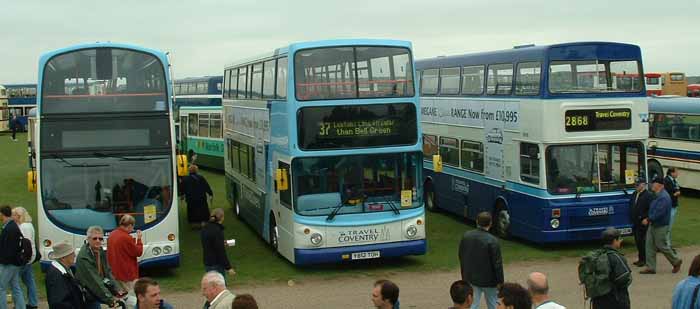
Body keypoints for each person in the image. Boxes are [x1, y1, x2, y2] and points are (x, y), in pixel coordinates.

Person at [458, 212, 503, 309]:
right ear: (490, 223)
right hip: (490, 281)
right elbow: (497, 264)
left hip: (471, 278)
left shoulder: (466, 236)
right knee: (493, 305)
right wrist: (500, 282)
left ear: (477, 221)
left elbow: (461, 256)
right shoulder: (493, 241)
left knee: (472, 305)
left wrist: (464, 274)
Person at [75, 225, 124, 309]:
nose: (98, 241)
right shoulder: (84, 256)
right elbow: (95, 280)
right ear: (88, 239)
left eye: (100, 238)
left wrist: (119, 290)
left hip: (96, 292)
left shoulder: (99, 250)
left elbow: (107, 272)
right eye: (95, 238)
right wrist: (111, 300)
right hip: (87, 293)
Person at [641, 177, 683, 274]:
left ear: (660, 185)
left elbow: (659, 212)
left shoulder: (664, 197)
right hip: (653, 224)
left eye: (653, 183)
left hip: (660, 225)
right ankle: (650, 267)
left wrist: (648, 219)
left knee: (661, 245)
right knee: (649, 245)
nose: (651, 185)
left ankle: (676, 261)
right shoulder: (657, 195)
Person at [108, 214, 144, 308]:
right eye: (132, 226)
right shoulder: (126, 237)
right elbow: (138, 252)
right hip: (127, 274)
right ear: (130, 225)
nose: (132, 229)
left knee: (121, 297)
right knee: (132, 300)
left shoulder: (112, 234)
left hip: (115, 273)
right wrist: (139, 239)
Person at [590, 228, 632, 309]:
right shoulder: (616, 257)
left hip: (598, 300)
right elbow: (625, 278)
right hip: (616, 299)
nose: (621, 241)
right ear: (614, 241)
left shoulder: (596, 256)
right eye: (619, 239)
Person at [45, 242, 87, 309]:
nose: (75, 255)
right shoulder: (56, 276)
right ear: (63, 258)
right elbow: (59, 303)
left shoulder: (68, 270)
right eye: (72, 254)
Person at [11, 207, 38, 309]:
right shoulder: (28, 225)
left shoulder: (23, 227)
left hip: (24, 258)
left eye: (14, 215)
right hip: (29, 258)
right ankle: (33, 303)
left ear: (19, 216)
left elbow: (24, 244)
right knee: (29, 280)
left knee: (16, 282)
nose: (12, 217)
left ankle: (20, 305)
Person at [0, 205, 26, 309]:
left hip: (9, 264)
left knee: (1, 287)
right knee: (15, 286)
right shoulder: (11, 226)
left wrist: (3, 261)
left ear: (2, 214)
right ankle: (21, 307)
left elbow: (8, 249)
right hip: (15, 263)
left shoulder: (9, 228)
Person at [201, 208, 236, 280]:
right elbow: (221, 251)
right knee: (220, 286)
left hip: (207, 262)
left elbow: (209, 243)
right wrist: (228, 268)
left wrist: (221, 243)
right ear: (222, 218)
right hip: (216, 264)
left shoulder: (205, 228)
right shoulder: (217, 231)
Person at [628, 177, 653, 267]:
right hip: (635, 222)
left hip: (643, 222)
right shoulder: (635, 193)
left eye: (638, 185)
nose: (636, 186)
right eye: (635, 185)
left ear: (643, 185)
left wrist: (647, 218)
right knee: (638, 241)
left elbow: (651, 209)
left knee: (642, 241)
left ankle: (644, 259)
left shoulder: (648, 195)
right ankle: (641, 258)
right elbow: (632, 205)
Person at [664, 167, 681, 243]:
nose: (677, 174)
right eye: (676, 172)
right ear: (671, 173)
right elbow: (666, 195)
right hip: (669, 206)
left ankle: (667, 243)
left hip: (673, 205)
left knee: (669, 226)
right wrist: (675, 194)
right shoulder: (667, 181)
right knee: (668, 226)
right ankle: (666, 244)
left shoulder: (673, 180)